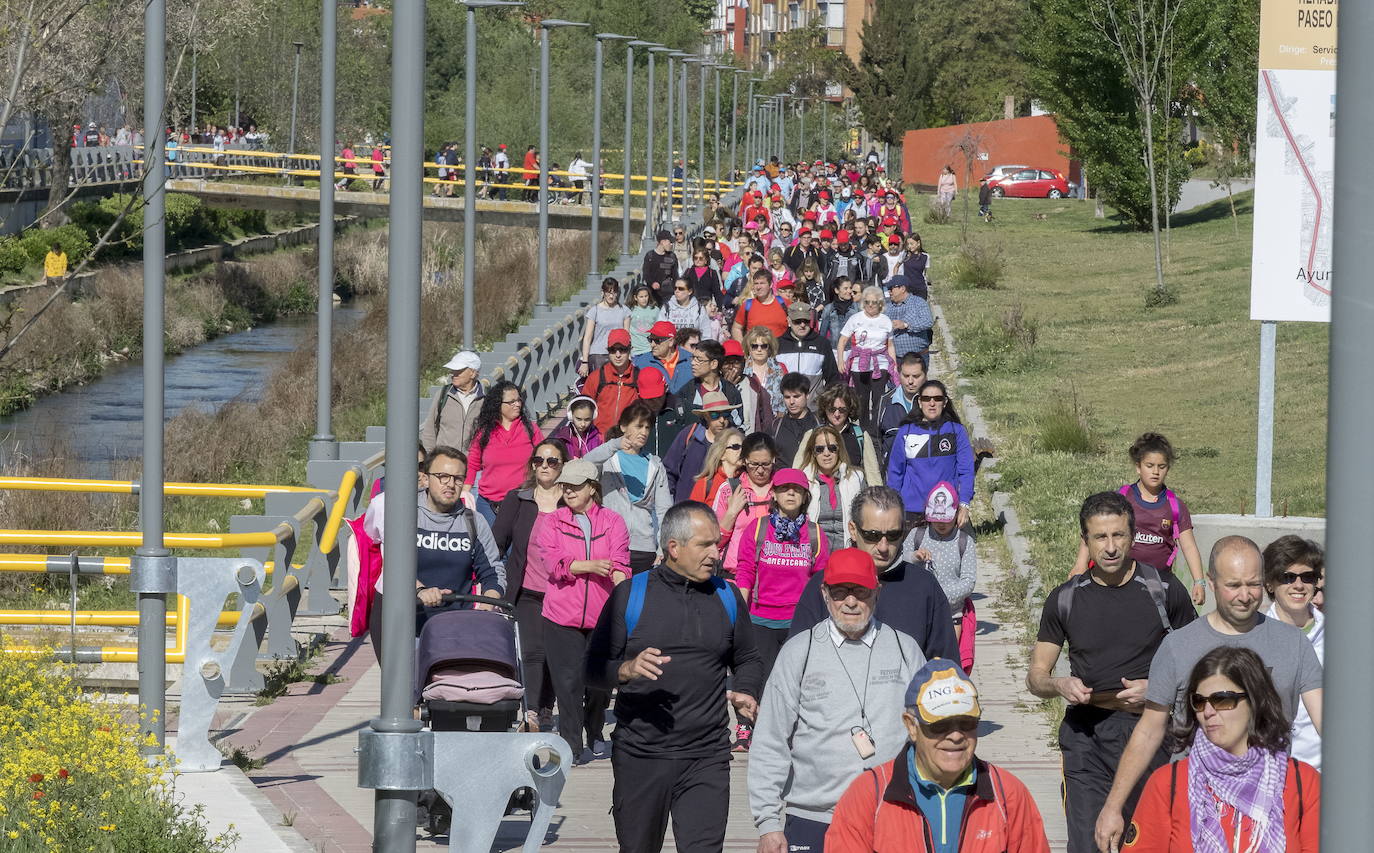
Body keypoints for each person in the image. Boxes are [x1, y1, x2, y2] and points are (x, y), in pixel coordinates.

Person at [1094, 536, 1323, 853]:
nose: (1245, 596)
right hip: (1193, 800)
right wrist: (1113, 806)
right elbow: (1149, 730)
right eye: (1234, 585)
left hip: (1271, 795)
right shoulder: (1178, 647)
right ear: (1212, 583)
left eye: (1254, 584)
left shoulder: (1293, 644)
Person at [585, 502, 763, 853]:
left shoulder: (726, 596)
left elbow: (748, 658)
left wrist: (746, 689)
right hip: (641, 756)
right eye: (705, 544)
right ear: (674, 548)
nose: (716, 553)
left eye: (717, 543)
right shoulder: (630, 595)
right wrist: (625, 670)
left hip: (707, 757)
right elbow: (591, 669)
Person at [1026, 491, 1196, 853]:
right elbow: (1036, 675)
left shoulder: (1164, 590)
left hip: (1151, 733)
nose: (1111, 547)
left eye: (1118, 535)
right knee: (1091, 843)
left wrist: (1157, 688)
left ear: (1132, 535)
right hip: (1086, 737)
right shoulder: (1066, 598)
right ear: (1084, 541)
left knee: (1148, 843)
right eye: (1100, 537)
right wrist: (1059, 683)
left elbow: (1202, 667)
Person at [750, 549, 925, 853]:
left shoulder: (905, 649)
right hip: (814, 818)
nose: (851, 601)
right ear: (824, 593)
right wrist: (767, 822)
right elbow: (770, 739)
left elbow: (929, 733)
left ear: (877, 592)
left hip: (893, 811)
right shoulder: (798, 652)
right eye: (840, 591)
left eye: (860, 591)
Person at [825, 659, 1051, 853]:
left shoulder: (1008, 794)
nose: (955, 735)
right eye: (940, 725)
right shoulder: (868, 796)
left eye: (966, 723)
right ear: (911, 726)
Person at [1125, 647, 1320, 852]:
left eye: (1222, 699)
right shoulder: (1167, 783)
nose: (1208, 712)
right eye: (1200, 701)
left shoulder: (1302, 781)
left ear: (1255, 701)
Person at [529, 459, 628, 762]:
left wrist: (621, 583)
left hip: (602, 617)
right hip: (561, 616)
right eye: (565, 486)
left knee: (599, 683)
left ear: (592, 488)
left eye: (575, 486)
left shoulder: (613, 521)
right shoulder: (552, 522)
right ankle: (571, 745)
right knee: (567, 683)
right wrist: (589, 566)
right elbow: (552, 563)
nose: (568, 491)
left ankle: (595, 731)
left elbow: (620, 561)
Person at [790, 487, 958, 662]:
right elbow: (796, 659)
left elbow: (946, 666)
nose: (883, 547)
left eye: (893, 535)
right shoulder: (825, 584)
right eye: (872, 535)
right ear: (853, 530)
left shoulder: (924, 586)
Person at [731, 467, 831, 752]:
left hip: (797, 621)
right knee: (753, 675)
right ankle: (745, 728)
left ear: (804, 496)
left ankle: (787, 730)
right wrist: (740, 611)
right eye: (785, 488)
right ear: (773, 494)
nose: (790, 493)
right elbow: (746, 571)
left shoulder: (815, 535)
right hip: (760, 616)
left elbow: (821, 582)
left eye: (796, 490)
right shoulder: (759, 528)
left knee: (791, 680)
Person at [1070, 433, 1207, 605]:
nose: (1156, 472)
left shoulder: (1175, 506)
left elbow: (1189, 546)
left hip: (1157, 585)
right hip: (1120, 581)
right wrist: (1081, 563)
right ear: (1138, 466)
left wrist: (1199, 582)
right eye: (1149, 465)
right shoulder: (1122, 498)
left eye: (1162, 466)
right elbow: (1094, 530)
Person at [491, 438, 569, 730]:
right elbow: (498, 541)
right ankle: (533, 711)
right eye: (539, 461)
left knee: (555, 653)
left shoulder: (571, 499)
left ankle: (548, 706)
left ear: (563, 465)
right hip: (528, 590)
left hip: (564, 592)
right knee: (533, 651)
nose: (545, 466)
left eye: (552, 461)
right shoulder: (518, 499)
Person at [406, 447, 506, 635]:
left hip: (458, 627)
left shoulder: (474, 522)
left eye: (457, 478)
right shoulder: (407, 515)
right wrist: (420, 591)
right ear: (426, 478)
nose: (450, 484)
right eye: (443, 476)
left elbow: (493, 571)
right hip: (410, 626)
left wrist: (489, 601)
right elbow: (392, 566)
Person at [583, 403, 673, 576]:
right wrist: (614, 444)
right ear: (623, 427)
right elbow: (586, 463)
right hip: (608, 542)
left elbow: (664, 510)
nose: (644, 432)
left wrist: (663, 547)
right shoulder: (609, 458)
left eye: (648, 427)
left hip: (644, 547)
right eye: (639, 426)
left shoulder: (655, 463)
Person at [1261, 535, 1324, 770]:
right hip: (1270, 770)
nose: (1299, 585)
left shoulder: (1339, 636)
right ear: (1269, 583)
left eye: (1307, 577)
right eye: (1288, 577)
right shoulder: (1254, 638)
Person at [907, 482, 978, 672]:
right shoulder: (916, 536)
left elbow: (969, 581)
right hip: (918, 610)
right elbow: (900, 563)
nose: (941, 524)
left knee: (946, 664)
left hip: (951, 613)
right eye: (936, 519)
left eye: (946, 519)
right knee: (918, 661)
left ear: (955, 514)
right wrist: (915, 557)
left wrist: (939, 597)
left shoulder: (964, 542)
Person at [886, 380, 974, 527]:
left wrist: (964, 504)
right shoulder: (906, 432)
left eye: (937, 399)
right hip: (911, 510)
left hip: (946, 509)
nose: (932, 403)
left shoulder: (956, 431)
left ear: (944, 402)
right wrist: (893, 507)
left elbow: (966, 471)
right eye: (926, 399)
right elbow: (895, 472)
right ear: (920, 402)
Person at [462, 380, 544, 525]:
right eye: (511, 401)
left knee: (516, 548)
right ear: (498, 405)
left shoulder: (531, 429)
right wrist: (465, 492)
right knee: (491, 546)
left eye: (519, 400)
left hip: (522, 502)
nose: (517, 404)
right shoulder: (484, 432)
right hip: (488, 504)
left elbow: (544, 458)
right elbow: (472, 464)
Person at [715, 432, 779, 578]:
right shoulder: (729, 490)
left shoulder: (782, 488)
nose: (760, 470)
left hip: (772, 575)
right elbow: (713, 542)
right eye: (754, 464)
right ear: (744, 461)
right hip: (734, 575)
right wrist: (731, 513)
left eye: (766, 464)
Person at [836, 285, 897, 434]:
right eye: (868, 301)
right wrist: (841, 361)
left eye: (874, 302)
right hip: (859, 364)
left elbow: (890, 345)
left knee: (878, 397)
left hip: (880, 362)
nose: (871, 305)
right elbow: (842, 341)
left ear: (880, 304)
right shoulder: (855, 319)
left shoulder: (885, 321)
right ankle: (864, 429)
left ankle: (876, 428)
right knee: (862, 399)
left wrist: (894, 366)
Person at [797, 384, 883, 487]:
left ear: (849, 409)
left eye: (842, 410)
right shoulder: (812, 434)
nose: (837, 414)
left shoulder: (860, 435)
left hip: (853, 494)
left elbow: (873, 474)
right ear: (824, 408)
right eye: (832, 409)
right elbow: (798, 470)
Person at [665, 387, 742, 502]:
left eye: (725, 414)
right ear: (705, 416)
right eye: (715, 415)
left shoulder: (735, 441)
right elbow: (669, 471)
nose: (722, 420)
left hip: (720, 510)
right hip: (685, 508)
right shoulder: (689, 435)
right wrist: (669, 502)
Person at [798, 425, 867, 551]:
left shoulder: (857, 478)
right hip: (815, 553)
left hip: (848, 551)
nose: (826, 454)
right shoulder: (803, 480)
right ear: (813, 452)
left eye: (832, 448)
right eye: (820, 449)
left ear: (839, 450)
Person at [420, 350, 485, 454]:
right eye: (453, 370)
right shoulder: (442, 395)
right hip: (443, 465)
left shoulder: (486, 400)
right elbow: (430, 430)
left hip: (473, 467)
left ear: (473, 373)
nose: (453, 374)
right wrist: (429, 459)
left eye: (458, 370)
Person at [776, 303, 841, 399]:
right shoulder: (777, 344)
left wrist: (828, 401)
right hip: (784, 407)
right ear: (789, 320)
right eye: (797, 321)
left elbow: (832, 377)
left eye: (806, 321)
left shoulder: (822, 343)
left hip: (814, 408)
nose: (802, 325)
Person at [877, 353, 927, 464]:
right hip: (893, 473)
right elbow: (876, 439)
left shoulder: (935, 402)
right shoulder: (885, 401)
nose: (910, 381)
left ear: (926, 376)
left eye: (916, 376)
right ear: (899, 374)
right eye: (906, 376)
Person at [579, 278, 630, 377]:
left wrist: (629, 355)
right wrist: (585, 362)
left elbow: (627, 335)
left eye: (614, 292)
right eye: (608, 292)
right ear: (603, 292)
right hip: (599, 354)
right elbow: (587, 337)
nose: (611, 296)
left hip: (618, 354)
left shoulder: (624, 311)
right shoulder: (595, 311)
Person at [742, 327, 787, 433]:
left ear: (769, 348)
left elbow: (785, 397)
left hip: (774, 425)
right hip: (748, 425)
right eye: (754, 346)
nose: (759, 349)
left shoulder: (780, 369)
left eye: (763, 346)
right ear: (749, 348)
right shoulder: (741, 369)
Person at [884, 276, 934, 367]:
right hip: (895, 358)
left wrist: (906, 325)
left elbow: (928, 322)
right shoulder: (887, 307)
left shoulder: (918, 303)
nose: (889, 292)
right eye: (888, 289)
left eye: (891, 288)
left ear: (902, 288)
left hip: (917, 356)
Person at [634, 319, 694, 395]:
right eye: (650, 340)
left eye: (657, 340)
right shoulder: (642, 362)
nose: (652, 345)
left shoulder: (690, 360)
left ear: (671, 342)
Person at [772, 372, 820, 464]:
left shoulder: (819, 424)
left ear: (807, 395)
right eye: (787, 397)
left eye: (796, 396)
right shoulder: (775, 426)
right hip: (783, 476)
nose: (791, 402)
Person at [689, 427, 745, 506]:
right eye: (735, 447)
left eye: (744, 447)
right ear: (722, 454)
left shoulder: (748, 479)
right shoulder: (705, 483)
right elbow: (693, 514)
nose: (742, 451)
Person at [733, 269, 791, 342]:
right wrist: (743, 347)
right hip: (756, 350)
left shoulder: (784, 303)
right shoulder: (747, 305)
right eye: (756, 283)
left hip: (781, 349)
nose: (758, 287)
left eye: (762, 283)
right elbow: (736, 328)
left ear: (770, 284)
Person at [817, 277, 860, 344]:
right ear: (837, 290)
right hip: (834, 349)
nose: (849, 291)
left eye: (850, 288)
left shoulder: (857, 308)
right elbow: (822, 333)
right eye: (845, 288)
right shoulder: (828, 309)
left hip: (853, 350)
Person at [625, 284, 661, 356]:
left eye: (646, 296)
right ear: (635, 297)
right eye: (641, 297)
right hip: (635, 351)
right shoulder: (629, 310)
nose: (644, 299)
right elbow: (626, 330)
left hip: (650, 349)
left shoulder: (655, 310)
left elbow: (659, 329)